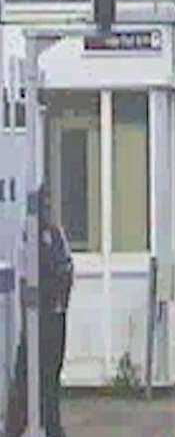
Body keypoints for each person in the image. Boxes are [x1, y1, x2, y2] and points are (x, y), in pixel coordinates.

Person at [7, 185, 73, 437]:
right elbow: (25, 280)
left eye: (48, 205)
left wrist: (61, 301)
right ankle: (15, 428)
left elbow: (67, 269)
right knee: (25, 380)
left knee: (50, 379)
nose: (47, 210)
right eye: (42, 205)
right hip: (37, 319)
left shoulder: (57, 235)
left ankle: (52, 427)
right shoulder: (27, 236)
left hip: (55, 318)